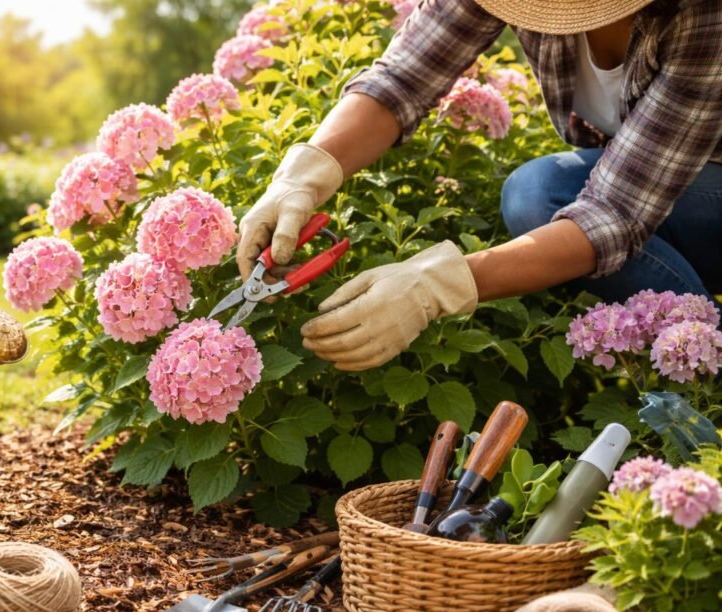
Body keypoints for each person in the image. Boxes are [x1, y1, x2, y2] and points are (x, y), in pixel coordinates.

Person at [238, 0, 722, 372]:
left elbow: (616, 212)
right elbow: (403, 78)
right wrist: (302, 175)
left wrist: (437, 284)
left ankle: (703, 373)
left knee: (538, 194)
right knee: (538, 192)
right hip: (656, 181)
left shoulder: (705, 16)